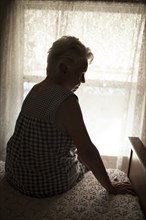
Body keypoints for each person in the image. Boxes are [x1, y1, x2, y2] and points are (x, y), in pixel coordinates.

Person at [5, 36, 135, 198]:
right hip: (43, 185)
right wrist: (111, 187)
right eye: (81, 73)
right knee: (85, 163)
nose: (83, 80)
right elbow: (87, 152)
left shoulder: (35, 89)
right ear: (64, 68)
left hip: (15, 176)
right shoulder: (66, 100)